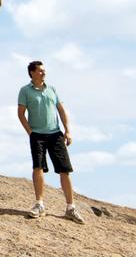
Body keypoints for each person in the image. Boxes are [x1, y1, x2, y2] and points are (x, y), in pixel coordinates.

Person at [17, 60, 85, 223]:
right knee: (38, 167)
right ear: (32, 72)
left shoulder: (52, 89)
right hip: (37, 135)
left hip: (55, 134)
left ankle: (70, 208)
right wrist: (30, 132)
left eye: (44, 70)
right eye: (40, 70)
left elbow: (61, 110)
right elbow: (20, 114)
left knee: (64, 170)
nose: (43, 73)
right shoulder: (25, 91)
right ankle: (39, 205)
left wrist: (67, 130)